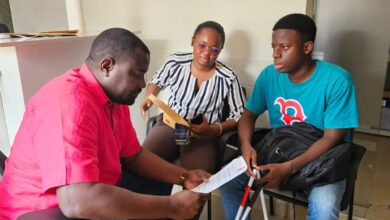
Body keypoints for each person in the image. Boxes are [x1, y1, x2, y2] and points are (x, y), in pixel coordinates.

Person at [0, 28, 211, 220]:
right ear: (107, 66)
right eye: (137, 73)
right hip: (43, 211)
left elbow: (134, 156)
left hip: (87, 192)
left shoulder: (115, 100)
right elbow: (76, 202)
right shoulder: (69, 103)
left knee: (158, 179)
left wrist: (184, 176)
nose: (142, 83)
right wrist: (170, 206)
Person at [221, 14, 359, 220]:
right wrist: (246, 146)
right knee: (229, 183)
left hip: (322, 157)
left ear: (307, 47)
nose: (276, 54)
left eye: (284, 47)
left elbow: (332, 138)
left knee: (324, 208)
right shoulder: (269, 75)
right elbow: (248, 116)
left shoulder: (337, 80)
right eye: (273, 47)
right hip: (281, 149)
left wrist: (289, 168)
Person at [136, 21, 245, 197]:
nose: (206, 53)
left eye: (214, 49)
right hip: (171, 125)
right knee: (144, 165)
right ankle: (153, 210)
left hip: (202, 134)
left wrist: (214, 129)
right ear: (193, 41)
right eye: (201, 45)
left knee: (198, 186)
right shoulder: (175, 61)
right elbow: (156, 81)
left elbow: (239, 115)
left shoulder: (228, 77)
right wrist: (150, 98)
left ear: (220, 50)